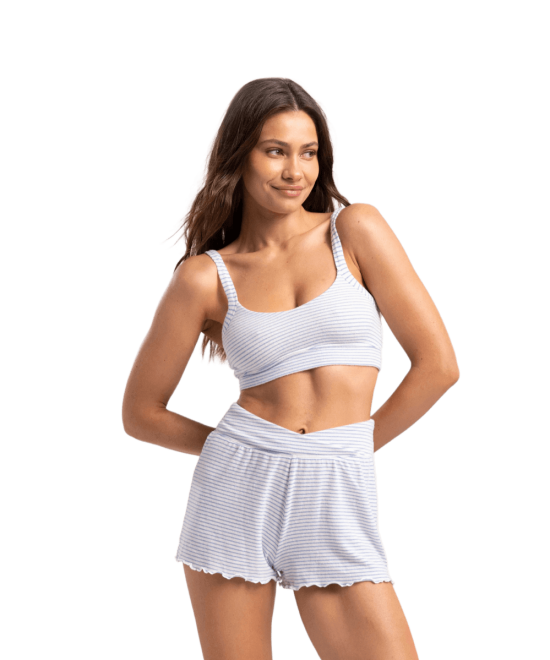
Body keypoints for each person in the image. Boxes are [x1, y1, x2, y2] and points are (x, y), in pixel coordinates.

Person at [121, 76, 460, 660]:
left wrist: (348, 448)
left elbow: (438, 365)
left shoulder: (356, 229)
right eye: (275, 151)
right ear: (239, 156)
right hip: (236, 489)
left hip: (337, 485)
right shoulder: (205, 276)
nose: (294, 171)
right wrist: (241, 447)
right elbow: (140, 413)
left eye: (309, 153)